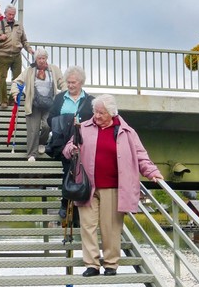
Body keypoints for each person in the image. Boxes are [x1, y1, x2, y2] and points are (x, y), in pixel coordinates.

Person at [63, 94, 164, 277]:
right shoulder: (84, 128)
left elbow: (141, 156)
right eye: (95, 112)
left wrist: (152, 172)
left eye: (101, 113)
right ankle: (92, 264)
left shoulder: (127, 132)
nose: (97, 116)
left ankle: (111, 264)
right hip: (87, 186)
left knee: (110, 227)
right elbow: (67, 149)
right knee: (88, 226)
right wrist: (72, 149)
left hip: (113, 187)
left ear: (111, 113)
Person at [46, 65, 95, 218]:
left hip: (84, 143)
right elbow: (49, 119)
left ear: (81, 83)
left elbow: (95, 122)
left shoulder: (90, 101)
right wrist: (65, 121)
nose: (70, 85)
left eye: (73, 82)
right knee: (69, 171)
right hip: (63, 142)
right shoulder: (60, 98)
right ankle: (65, 202)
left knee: (82, 172)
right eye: (68, 82)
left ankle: (79, 203)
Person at [10, 48, 66, 161]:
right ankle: (31, 154)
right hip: (33, 104)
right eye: (39, 58)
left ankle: (42, 142)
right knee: (33, 130)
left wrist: (65, 92)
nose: (41, 60)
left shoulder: (54, 69)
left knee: (47, 125)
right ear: (36, 59)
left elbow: (62, 82)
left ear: (47, 59)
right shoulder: (30, 70)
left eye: (43, 58)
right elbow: (17, 81)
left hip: (50, 103)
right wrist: (15, 92)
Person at [0, 4, 34, 108]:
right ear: (5, 14)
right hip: (2, 54)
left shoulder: (19, 25)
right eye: (9, 14)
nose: (11, 16)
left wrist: (29, 49)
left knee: (18, 78)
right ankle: (3, 101)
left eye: (13, 14)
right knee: (3, 78)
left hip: (16, 55)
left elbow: (24, 40)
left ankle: (12, 99)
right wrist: (0, 38)